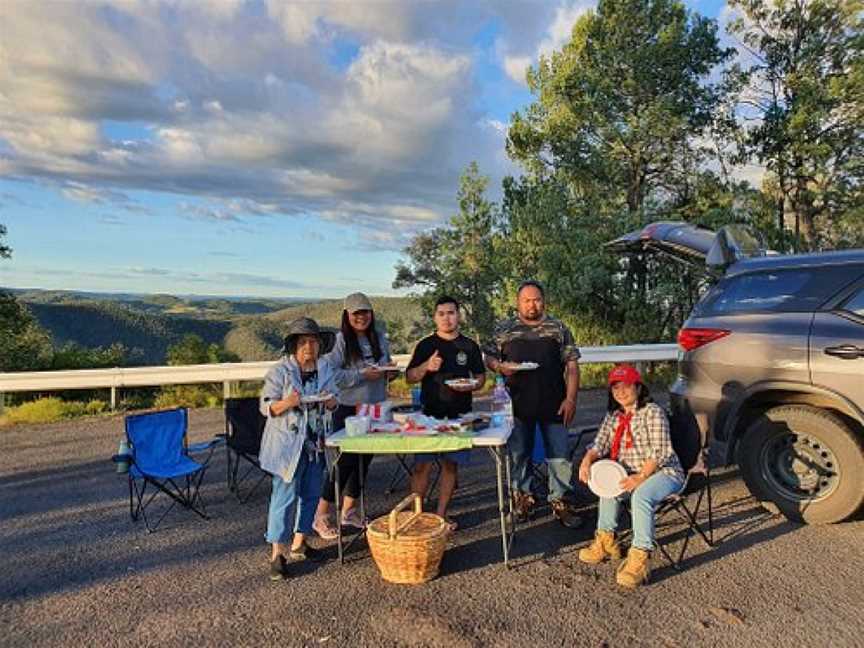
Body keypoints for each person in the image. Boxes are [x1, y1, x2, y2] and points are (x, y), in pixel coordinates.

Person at [484, 280, 581, 528]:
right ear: (518, 303)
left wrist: (571, 399)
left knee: (559, 456)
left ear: (543, 301)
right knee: (518, 455)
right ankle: (523, 500)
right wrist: (499, 367)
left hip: (555, 403)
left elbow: (571, 365)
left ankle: (561, 502)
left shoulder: (557, 328)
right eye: (526, 300)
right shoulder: (504, 328)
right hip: (516, 404)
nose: (532, 304)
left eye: (536, 299)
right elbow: (489, 357)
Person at [577, 364, 685, 589]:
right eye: (615, 388)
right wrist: (587, 460)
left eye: (626, 386)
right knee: (608, 486)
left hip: (663, 472)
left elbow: (661, 451)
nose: (620, 392)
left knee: (641, 496)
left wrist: (641, 476)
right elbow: (600, 443)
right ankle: (607, 540)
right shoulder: (614, 415)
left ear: (638, 387)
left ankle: (640, 557)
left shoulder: (652, 411)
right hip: (630, 474)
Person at [259, 317, 338, 581]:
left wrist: (331, 402)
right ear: (294, 346)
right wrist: (288, 402)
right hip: (287, 447)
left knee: (312, 494)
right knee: (284, 497)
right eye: (303, 342)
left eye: (313, 342)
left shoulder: (325, 368)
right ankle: (277, 554)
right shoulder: (280, 371)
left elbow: (334, 399)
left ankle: (299, 543)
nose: (309, 347)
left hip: (316, 443)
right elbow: (266, 407)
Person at [313, 292, 394, 539]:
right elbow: (331, 374)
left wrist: (390, 372)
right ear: (347, 316)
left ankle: (349, 511)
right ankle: (321, 514)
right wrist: (361, 375)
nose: (361, 317)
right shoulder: (340, 342)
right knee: (345, 461)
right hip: (348, 408)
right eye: (356, 313)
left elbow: (386, 365)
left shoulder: (379, 337)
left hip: (374, 407)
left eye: (365, 312)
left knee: (363, 461)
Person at [406, 296, 485, 530]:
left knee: (451, 466)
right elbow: (409, 377)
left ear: (458, 315)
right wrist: (426, 367)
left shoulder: (469, 346)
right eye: (441, 313)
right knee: (422, 467)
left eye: (451, 313)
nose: (447, 318)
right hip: (429, 416)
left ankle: (441, 516)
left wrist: (473, 385)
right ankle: (416, 517)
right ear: (435, 317)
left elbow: (480, 377)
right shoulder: (426, 345)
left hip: (460, 417)